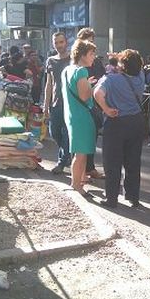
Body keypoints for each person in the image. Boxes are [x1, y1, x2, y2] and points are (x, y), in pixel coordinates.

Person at [94, 49, 145, 208]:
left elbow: (97, 93)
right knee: (133, 161)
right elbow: (136, 65)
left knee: (112, 162)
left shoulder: (110, 79)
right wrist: (120, 60)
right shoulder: (140, 77)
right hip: (136, 122)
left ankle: (111, 198)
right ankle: (133, 196)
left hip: (116, 122)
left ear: (122, 65)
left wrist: (107, 109)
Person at [61, 39, 98, 197]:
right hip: (81, 116)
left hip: (72, 114)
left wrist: (87, 84)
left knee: (78, 151)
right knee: (81, 153)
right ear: (82, 55)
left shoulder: (68, 69)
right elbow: (84, 96)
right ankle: (77, 185)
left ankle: (77, 182)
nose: (93, 57)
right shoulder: (81, 71)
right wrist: (96, 87)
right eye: (91, 54)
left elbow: (76, 90)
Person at [76, 27, 105, 180]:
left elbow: (103, 79)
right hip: (80, 105)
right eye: (87, 41)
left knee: (90, 138)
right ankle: (79, 174)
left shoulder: (96, 61)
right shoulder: (75, 66)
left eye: (92, 42)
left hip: (93, 104)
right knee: (80, 141)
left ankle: (88, 168)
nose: (90, 45)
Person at [44, 32, 71, 175]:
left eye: (61, 42)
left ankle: (61, 162)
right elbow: (49, 84)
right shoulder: (50, 61)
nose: (59, 45)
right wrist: (45, 106)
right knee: (53, 132)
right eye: (56, 43)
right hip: (55, 103)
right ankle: (67, 153)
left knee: (67, 133)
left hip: (70, 103)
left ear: (66, 42)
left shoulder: (73, 59)